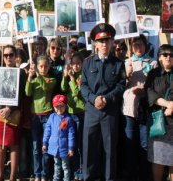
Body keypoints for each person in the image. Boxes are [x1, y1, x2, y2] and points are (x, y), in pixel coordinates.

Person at [80, 23, 126, 181]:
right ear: (95, 44)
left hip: (110, 111)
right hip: (92, 111)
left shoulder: (119, 64)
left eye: (107, 40)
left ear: (112, 42)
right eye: (101, 41)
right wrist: (94, 99)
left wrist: (106, 98)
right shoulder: (87, 63)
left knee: (109, 149)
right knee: (89, 148)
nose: (104, 44)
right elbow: (83, 86)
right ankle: (88, 178)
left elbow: (121, 86)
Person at [122, 34, 157, 180]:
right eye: (135, 45)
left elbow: (155, 85)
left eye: (141, 44)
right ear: (131, 47)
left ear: (146, 45)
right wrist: (127, 76)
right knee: (130, 142)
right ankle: (130, 174)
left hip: (145, 106)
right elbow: (120, 85)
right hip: (129, 108)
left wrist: (143, 89)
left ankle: (143, 174)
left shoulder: (153, 63)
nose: (138, 47)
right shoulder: (127, 62)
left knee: (144, 143)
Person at [0, 45, 25, 181]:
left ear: (15, 56)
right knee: (0, 144)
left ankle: (12, 176)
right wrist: (0, 108)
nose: (8, 57)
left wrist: (9, 109)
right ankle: (0, 174)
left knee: (14, 144)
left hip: (14, 112)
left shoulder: (21, 73)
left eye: (10, 55)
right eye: (5, 55)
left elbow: (22, 94)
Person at [26, 55, 57, 181]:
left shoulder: (51, 80)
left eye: (45, 66)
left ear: (49, 67)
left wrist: (38, 75)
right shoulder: (34, 80)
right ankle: (37, 173)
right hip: (35, 118)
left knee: (45, 147)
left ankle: (45, 174)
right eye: (40, 66)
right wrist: (29, 76)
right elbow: (28, 92)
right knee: (35, 147)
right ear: (37, 66)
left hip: (47, 117)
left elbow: (45, 87)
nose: (43, 69)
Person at [145, 44, 173, 181]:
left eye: (171, 55)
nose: (168, 57)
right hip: (159, 123)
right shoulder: (153, 74)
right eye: (165, 54)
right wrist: (167, 104)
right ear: (159, 57)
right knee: (158, 158)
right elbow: (149, 93)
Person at [61, 52, 85, 181]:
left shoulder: (82, 76)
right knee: (72, 143)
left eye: (78, 63)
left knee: (80, 143)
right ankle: (74, 169)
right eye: (73, 63)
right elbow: (63, 88)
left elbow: (76, 92)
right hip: (70, 113)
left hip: (80, 113)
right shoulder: (70, 74)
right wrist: (65, 77)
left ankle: (80, 170)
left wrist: (71, 79)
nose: (75, 66)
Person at [43, 94, 75, 181]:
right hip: (54, 148)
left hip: (64, 148)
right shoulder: (51, 117)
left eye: (61, 106)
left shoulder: (68, 119)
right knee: (56, 164)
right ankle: (56, 179)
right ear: (53, 107)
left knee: (65, 166)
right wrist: (45, 143)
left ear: (65, 106)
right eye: (57, 106)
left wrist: (71, 148)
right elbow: (47, 131)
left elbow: (71, 135)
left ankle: (66, 179)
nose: (59, 109)